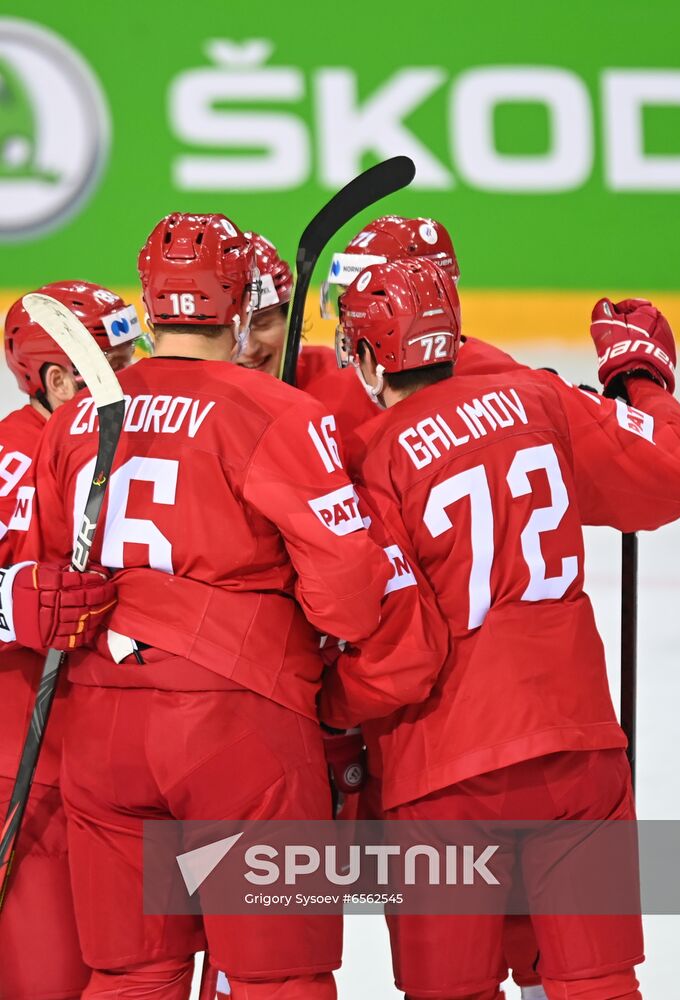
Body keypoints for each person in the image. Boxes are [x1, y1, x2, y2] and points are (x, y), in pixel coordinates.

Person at [19, 212, 402, 1000]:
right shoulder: (274, 411)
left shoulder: (78, 419)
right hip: (238, 729)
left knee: (130, 973)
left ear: (149, 305)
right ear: (238, 301)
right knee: (277, 974)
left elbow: (57, 575)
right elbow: (351, 597)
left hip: (102, 734)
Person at [320, 258, 680, 1000]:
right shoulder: (539, 396)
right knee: (598, 980)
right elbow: (676, 473)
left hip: (446, 770)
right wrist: (641, 379)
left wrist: (324, 702)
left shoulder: (369, 463)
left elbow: (399, 658)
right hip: (581, 749)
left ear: (369, 356)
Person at [239, 219, 547, 995]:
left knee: (490, 923)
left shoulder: (379, 382)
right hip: (316, 711)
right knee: (270, 915)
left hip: (418, 706)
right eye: (238, 319)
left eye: (268, 318)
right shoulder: (268, 389)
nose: (251, 337)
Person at [0, 281, 140, 1000]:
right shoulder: (6, 458)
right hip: (27, 780)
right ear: (58, 380)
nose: (133, 375)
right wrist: (8, 605)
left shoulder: (148, 440)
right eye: (113, 361)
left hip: (124, 772)